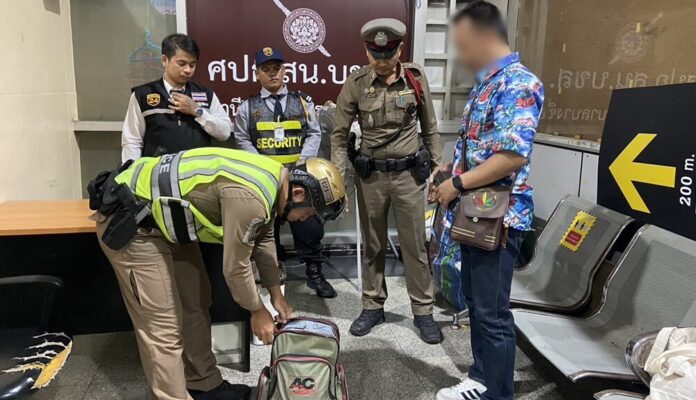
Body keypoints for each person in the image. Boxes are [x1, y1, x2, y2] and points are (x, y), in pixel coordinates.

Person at [90, 148, 346, 400]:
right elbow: (235, 267)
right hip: (133, 224)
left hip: (165, 225)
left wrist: (276, 294)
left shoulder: (274, 179)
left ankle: (203, 385)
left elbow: (264, 239)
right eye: (309, 213)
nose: (304, 220)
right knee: (163, 328)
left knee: (196, 301)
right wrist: (257, 311)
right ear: (299, 194)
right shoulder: (252, 198)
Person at [431, 2, 544, 400]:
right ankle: (481, 379)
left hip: (500, 217)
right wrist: (450, 168)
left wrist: (457, 183)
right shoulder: (486, 84)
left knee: (492, 312)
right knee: (477, 303)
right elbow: (483, 149)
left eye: (463, 45)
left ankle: (497, 392)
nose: (461, 55)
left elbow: (511, 157)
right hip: (477, 212)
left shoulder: (518, 84)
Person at [117, 33, 239, 400]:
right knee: (163, 310)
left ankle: (201, 377)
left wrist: (196, 112)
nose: (187, 70)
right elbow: (131, 143)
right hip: (153, 207)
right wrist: (132, 183)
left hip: (192, 208)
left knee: (196, 295)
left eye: (192, 65)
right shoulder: (144, 96)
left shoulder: (204, 95)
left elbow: (225, 131)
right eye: (181, 63)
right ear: (165, 60)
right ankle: (174, 385)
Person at [330, 18, 444, 344]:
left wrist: (437, 172)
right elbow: (339, 137)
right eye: (375, 54)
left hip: (409, 176)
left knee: (415, 246)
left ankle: (423, 311)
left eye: (388, 54)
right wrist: (338, 183)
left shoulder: (415, 79)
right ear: (367, 51)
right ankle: (372, 306)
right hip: (372, 178)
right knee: (373, 244)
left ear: (400, 49)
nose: (381, 61)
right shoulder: (356, 83)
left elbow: (430, 128)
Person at [234, 47, 335, 298]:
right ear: (257, 73)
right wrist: (265, 169)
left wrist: (301, 165)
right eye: (266, 69)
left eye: (277, 68)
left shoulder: (302, 102)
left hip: (299, 180)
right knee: (267, 231)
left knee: (309, 227)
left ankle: (314, 273)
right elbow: (242, 138)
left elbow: (314, 133)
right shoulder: (247, 107)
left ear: (285, 70)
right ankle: (274, 273)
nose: (272, 74)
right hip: (265, 182)